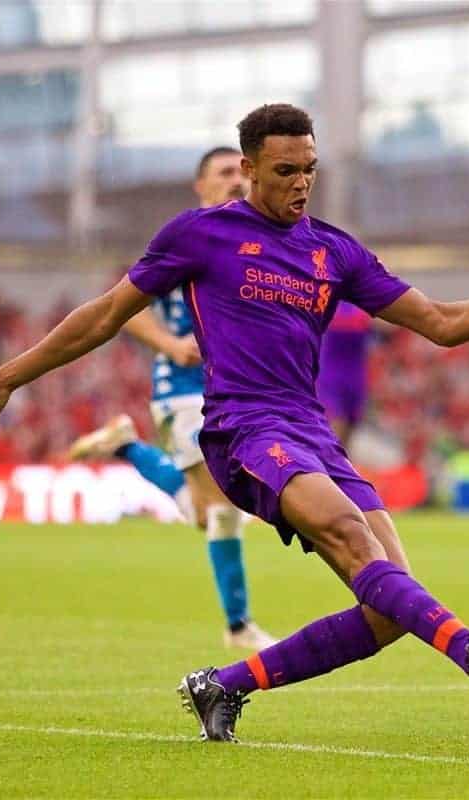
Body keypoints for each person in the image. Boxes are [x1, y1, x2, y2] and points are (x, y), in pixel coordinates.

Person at [0, 103, 469, 744]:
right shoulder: (199, 235)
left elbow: (440, 322)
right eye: (286, 169)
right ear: (250, 168)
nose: (301, 183)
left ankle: (224, 684)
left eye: (310, 170)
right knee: (353, 537)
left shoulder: (334, 250)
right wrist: (5, 378)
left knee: (389, 609)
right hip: (244, 429)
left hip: (310, 431)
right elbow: (104, 316)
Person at [67, 146, 277, 651]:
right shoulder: (187, 242)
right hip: (182, 392)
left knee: (212, 514)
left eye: (241, 173)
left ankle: (127, 447)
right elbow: (123, 305)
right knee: (223, 507)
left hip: (232, 390)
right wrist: (170, 344)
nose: (236, 181)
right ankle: (239, 626)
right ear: (200, 187)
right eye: (224, 173)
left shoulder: (259, 244)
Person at [316, 301, 373, 448]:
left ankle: (337, 468)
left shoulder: (364, 302)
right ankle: (328, 467)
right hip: (332, 377)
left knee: (348, 435)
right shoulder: (326, 300)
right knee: (336, 429)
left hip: (355, 377)